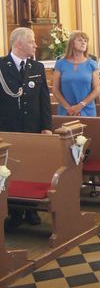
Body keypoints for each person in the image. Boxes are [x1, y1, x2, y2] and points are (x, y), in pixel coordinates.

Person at [0, 27, 52, 228]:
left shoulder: (37, 67)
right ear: (19, 44)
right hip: (8, 128)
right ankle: (14, 212)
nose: (35, 45)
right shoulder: (1, 66)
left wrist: (46, 126)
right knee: (11, 170)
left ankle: (31, 211)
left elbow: (43, 101)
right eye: (32, 41)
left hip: (32, 128)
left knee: (33, 168)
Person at [52, 31, 99, 116]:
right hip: (66, 110)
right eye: (80, 40)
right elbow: (55, 89)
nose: (83, 42)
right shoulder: (60, 63)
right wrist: (68, 108)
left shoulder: (92, 64)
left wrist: (80, 106)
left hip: (87, 109)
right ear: (72, 44)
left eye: (85, 41)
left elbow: (96, 90)